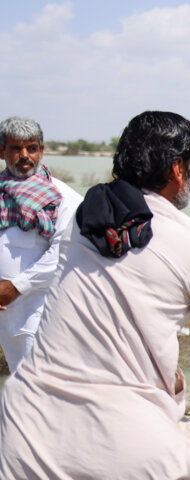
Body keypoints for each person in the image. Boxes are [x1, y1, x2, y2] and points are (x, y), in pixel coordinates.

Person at [0, 111, 190, 479]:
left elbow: (147, 271)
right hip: (118, 442)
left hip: (21, 430)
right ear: (178, 169)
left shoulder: (87, 218)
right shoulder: (189, 243)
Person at [0, 116, 82, 371]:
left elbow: (65, 251)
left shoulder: (63, 197)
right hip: (5, 313)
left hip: (40, 310)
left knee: (37, 382)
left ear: (41, 151)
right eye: (16, 148)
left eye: (31, 148)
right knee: (17, 379)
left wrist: (16, 286)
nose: (24, 155)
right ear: (1, 151)